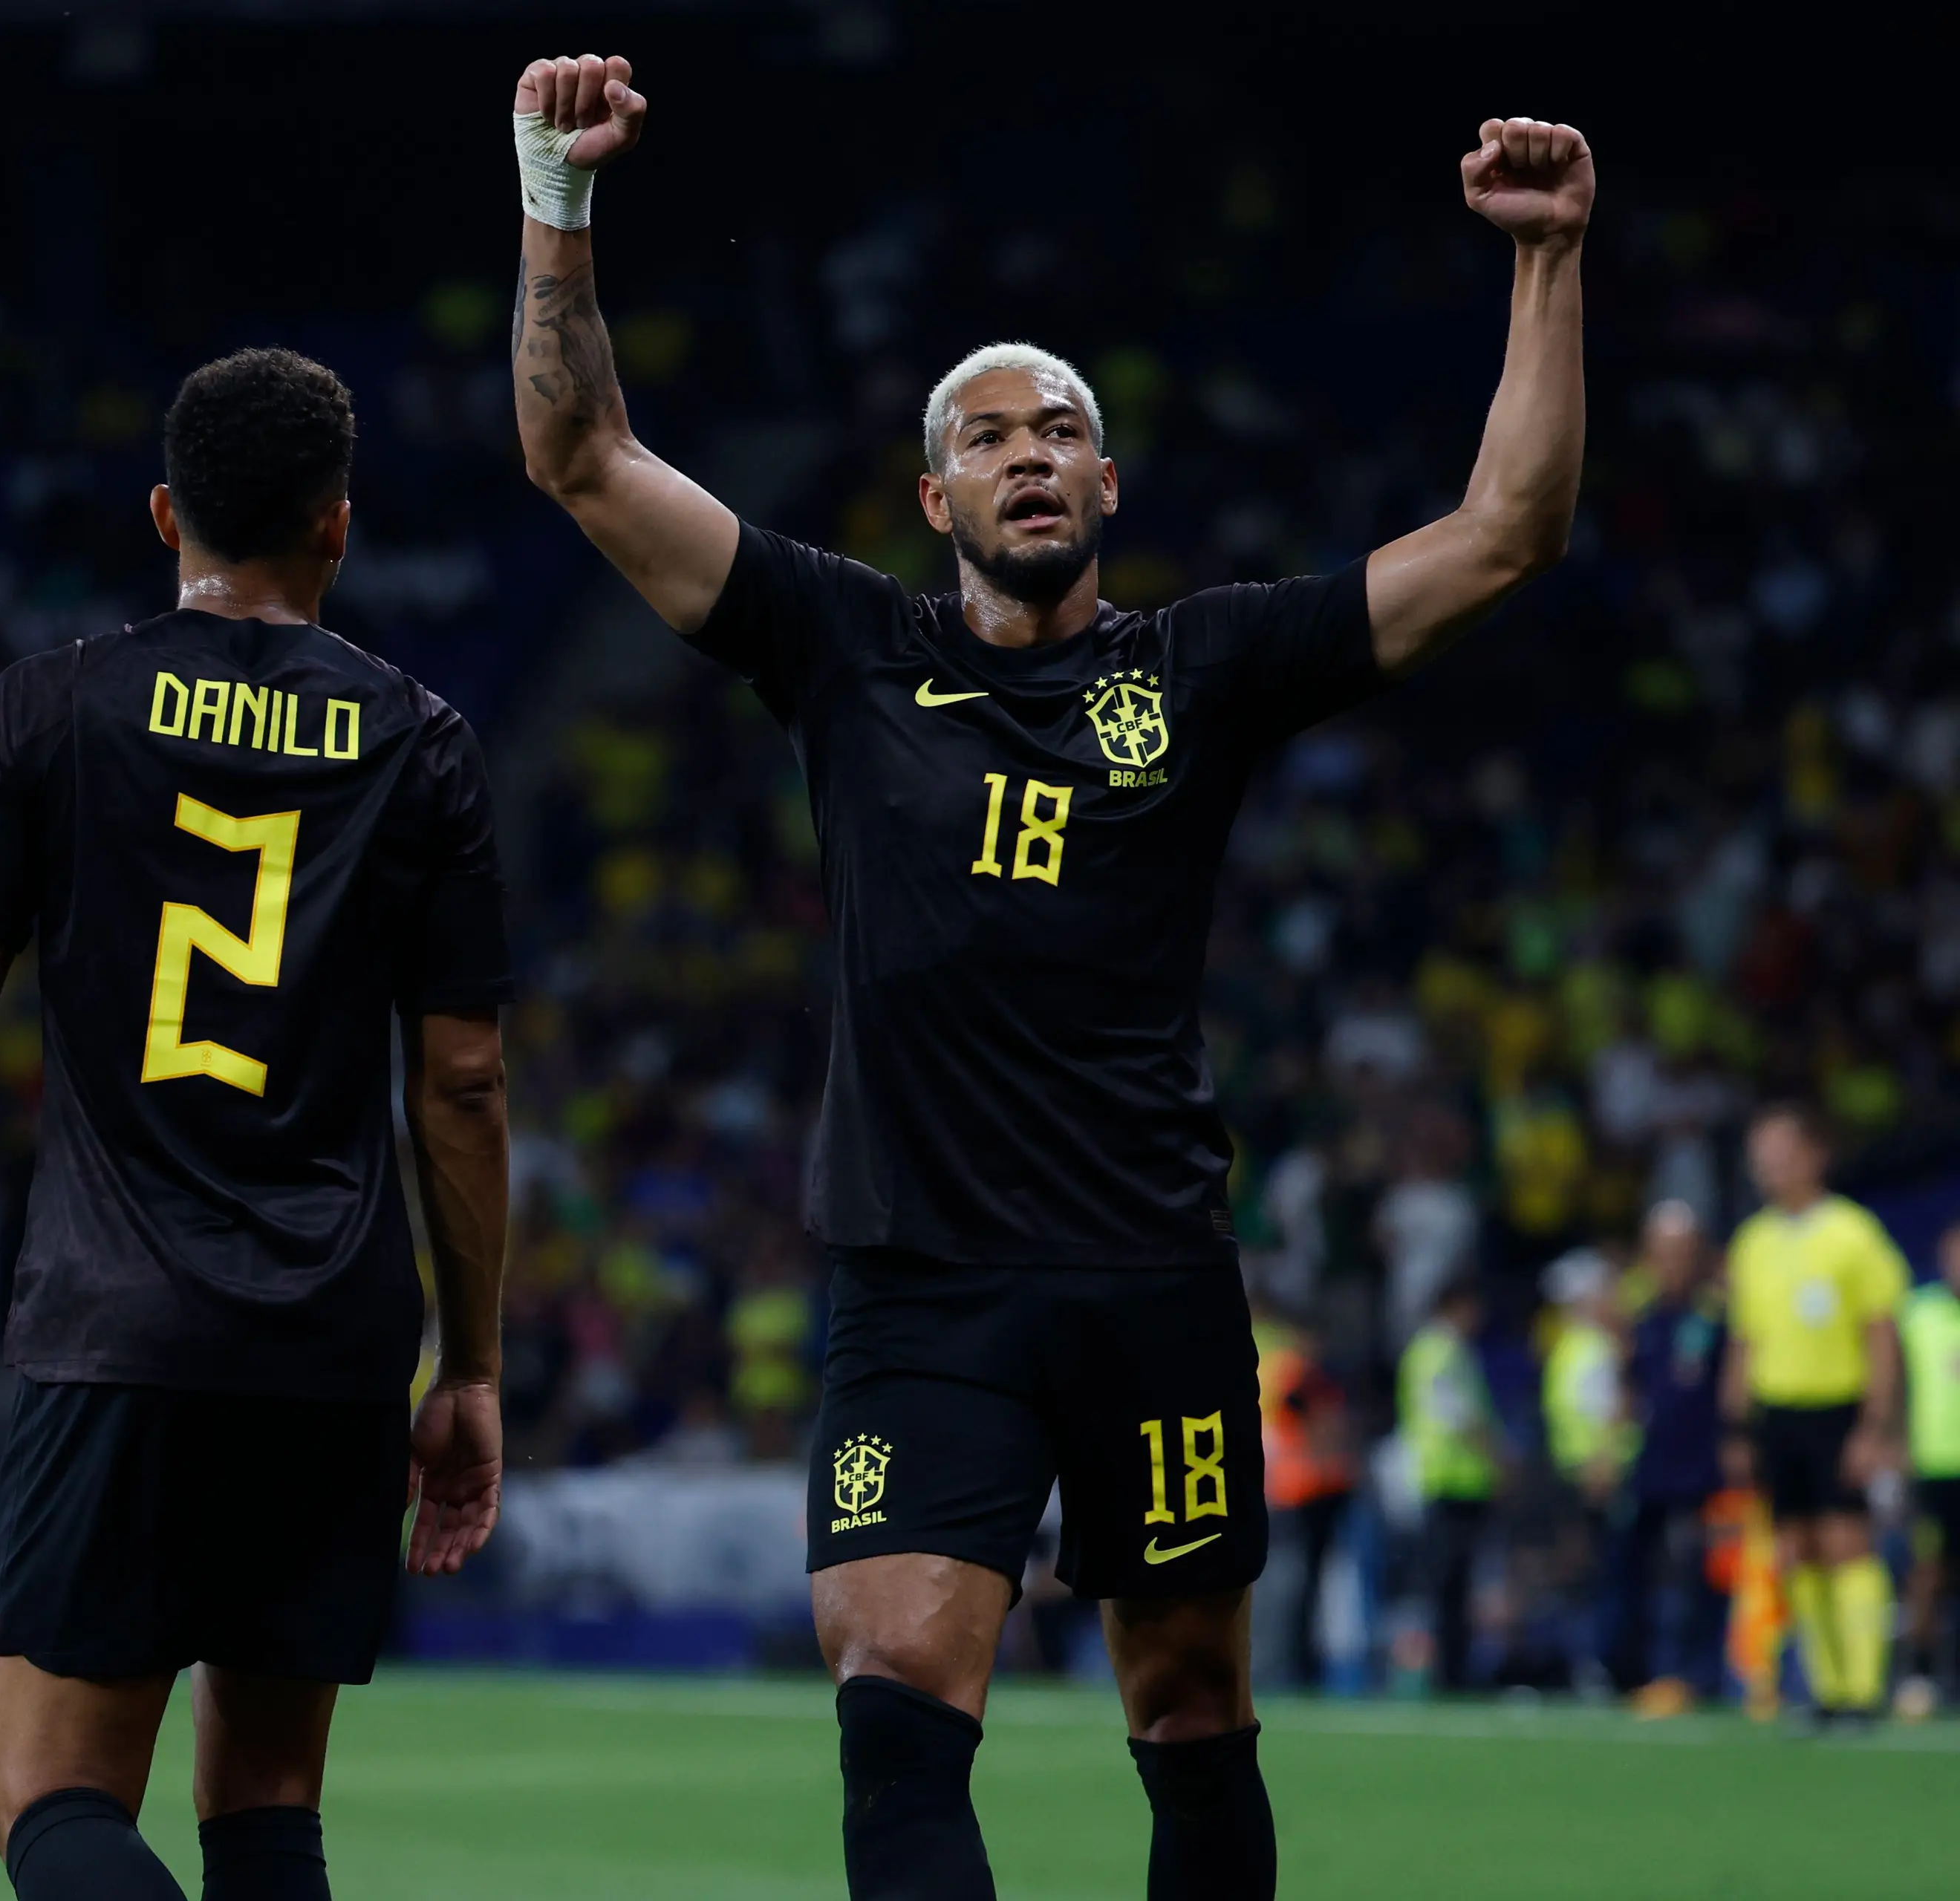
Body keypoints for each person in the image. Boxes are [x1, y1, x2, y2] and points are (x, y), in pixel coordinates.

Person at [509, 49, 1589, 1900]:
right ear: (935, 494)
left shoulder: (1204, 666)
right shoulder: (844, 645)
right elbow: (580, 458)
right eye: (990, 434)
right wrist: (558, 205)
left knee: (1188, 1700)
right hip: (920, 1278)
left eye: (1060, 428)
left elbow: (1506, 532)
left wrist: (1547, 258)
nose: (1028, 450)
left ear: (1106, 478)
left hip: (1149, 1272)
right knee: (895, 1685)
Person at [0, 347, 515, 1901]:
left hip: (121, 1325)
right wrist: (473, 1364)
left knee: (53, 1799)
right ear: (338, 525)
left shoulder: (50, 707)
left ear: (167, 513)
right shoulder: (422, 740)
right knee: (268, 1805)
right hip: (333, 1343)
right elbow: (463, 1081)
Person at [1721, 1102, 1907, 1729]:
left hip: (1837, 1406)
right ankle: (1825, 1689)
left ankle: (1863, 1690)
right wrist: (1736, 1423)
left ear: (1814, 1156)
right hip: (1777, 1411)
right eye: (1761, 1157)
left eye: (1780, 1154)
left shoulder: (1853, 1233)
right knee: (1795, 1548)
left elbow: (1881, 1334)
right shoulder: (1753, 1242)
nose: (1769, 1168)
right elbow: (1744, 1339)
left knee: (1846, 1543)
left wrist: (1875, 1425)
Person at [1609, 1201, 1730, 1712]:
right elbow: (1629, 1389)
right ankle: (1630, 1673)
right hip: (1651, 1463)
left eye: (1680, 1252)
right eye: (1661, 1253)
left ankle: (1698, 1674)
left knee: (1703, 1574)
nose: (1671, 1264)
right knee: (1632, 1569)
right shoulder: (1641, 1318)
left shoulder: (1717, 1316)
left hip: (1704, 1464)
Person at [1399, 1278, 1503, 1692]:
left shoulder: (1439, 1350)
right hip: (1449, 1482)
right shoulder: (1440, 1353)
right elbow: (1459, 1417)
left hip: (1453, 1481)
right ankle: (1448, 1674)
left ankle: (1452, 1671)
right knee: (1448, 1586)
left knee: (1452, 1586)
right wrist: (1499, 1457)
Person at [1252, 1299, 1355, 1690]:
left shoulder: (1283, 1371)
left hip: (1300, 1491)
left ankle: (1290, 1665)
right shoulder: (1296, 1375)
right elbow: (1314, 1427)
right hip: (1298, 1492)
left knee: (1298, 1586)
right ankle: (1285, 1666)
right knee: (1291, 1585)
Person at [1540, 1246, 1627, 1687]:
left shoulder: (1588, 1346)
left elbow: (1609, 1413)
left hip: (1593, 1474)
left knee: (1599, 1574)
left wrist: (1602, 1461)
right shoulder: (1583, 1346)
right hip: (1582, 1474)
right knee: (1589, 1574)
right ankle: (1590, 1661)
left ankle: (1599, 1663)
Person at [1895, 1221, 1960, 1715]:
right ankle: (1918, 1674)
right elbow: (1895, 1380)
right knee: (1928, 1572)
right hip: (1933, 1465)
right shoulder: (1918, 1313)